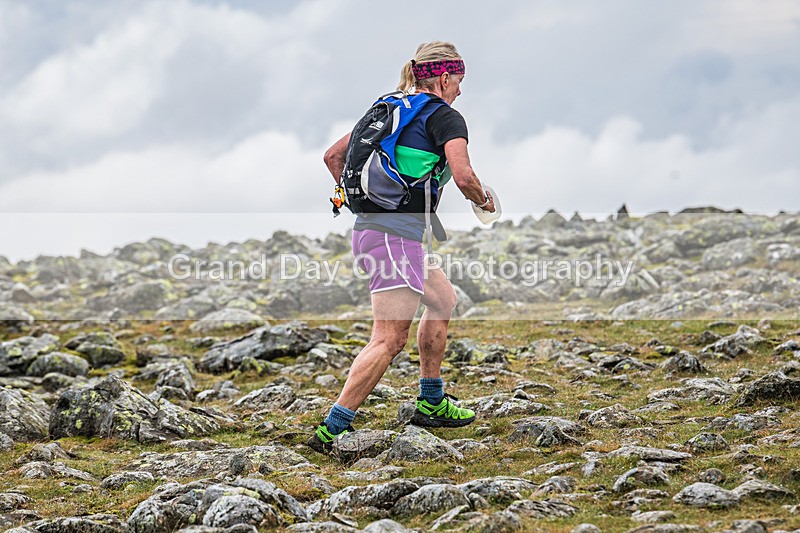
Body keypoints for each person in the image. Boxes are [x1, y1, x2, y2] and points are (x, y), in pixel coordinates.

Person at [308, 41, 496, 453]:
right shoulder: (446, 117)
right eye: (460, 81)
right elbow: (463, 177)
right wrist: (485, 200)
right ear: (445, 77)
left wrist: (362, 199)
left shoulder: (390, 107)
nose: (461, 90)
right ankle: (333, 429)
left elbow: (333, 155)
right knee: (389, 340)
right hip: (395, 238)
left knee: (443, 299)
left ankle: (431, 402)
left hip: (374, 232)